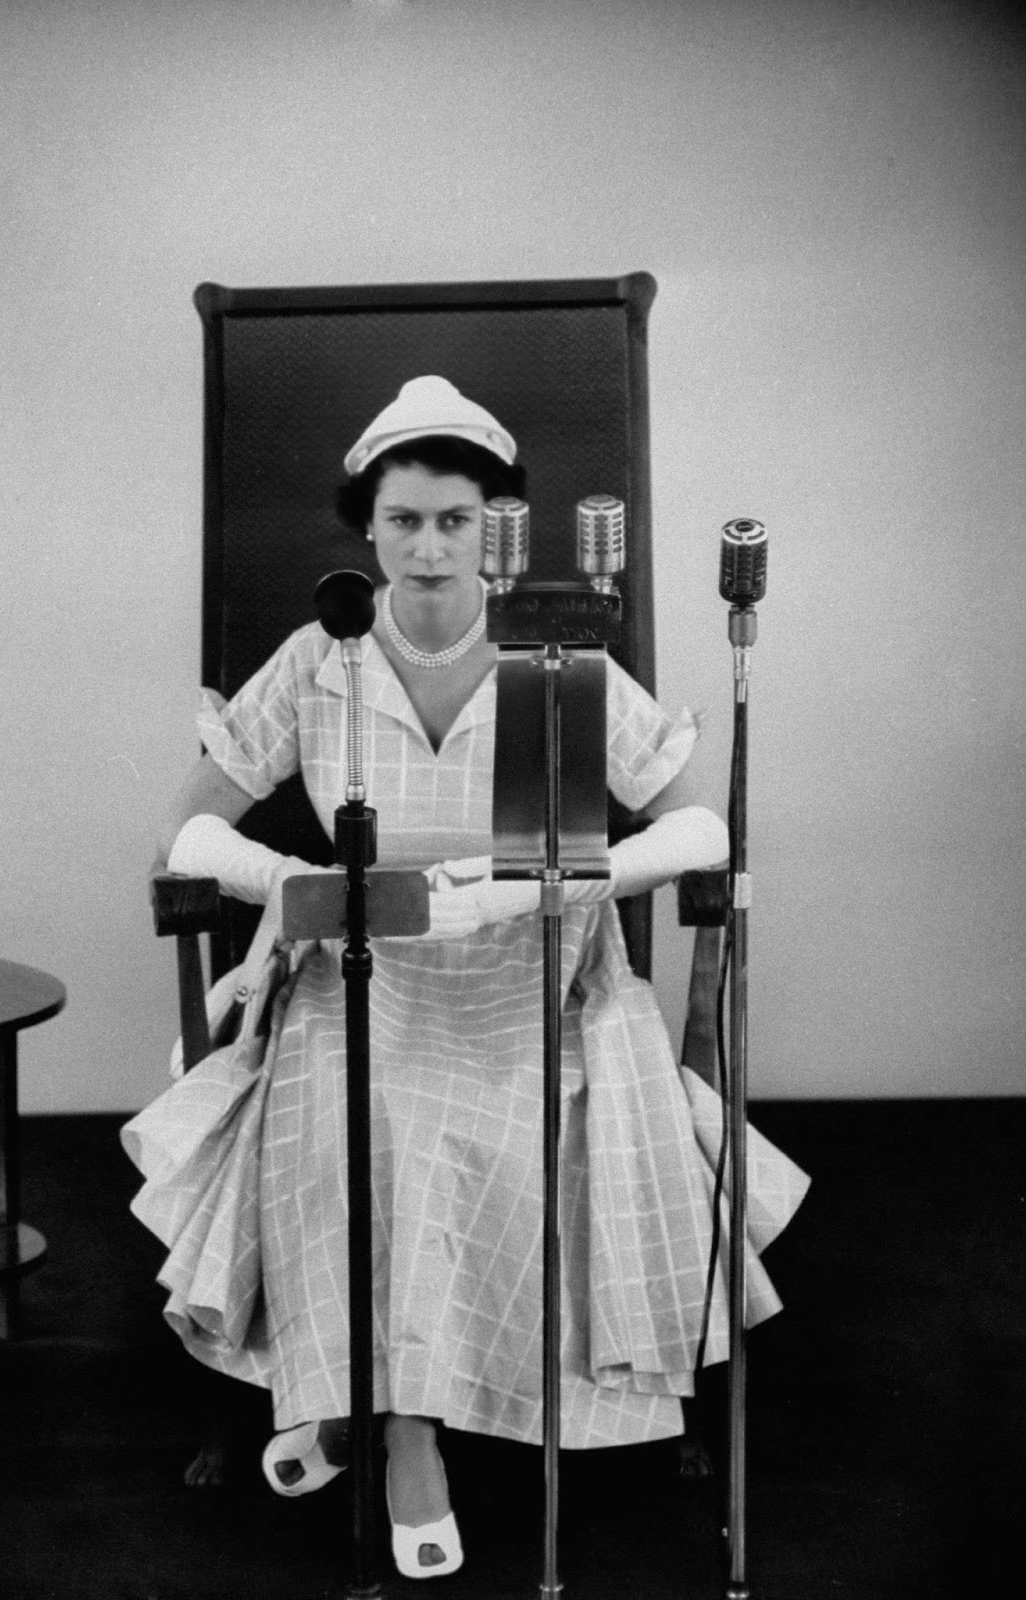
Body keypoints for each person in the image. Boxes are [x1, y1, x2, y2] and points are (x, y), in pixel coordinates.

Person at [122, 376, 809, 1581]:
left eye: (453, 519)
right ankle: (406, 1436)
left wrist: (546, 887)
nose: (427, 546)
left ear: (493, 525)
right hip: (359, 959)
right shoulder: (322, 655)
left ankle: (368, 1397)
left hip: (531, 967)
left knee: (496, 1113)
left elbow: (697, 830)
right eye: (402, 521)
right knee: (363, 1108)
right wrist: (290, 884)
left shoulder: (554, 648)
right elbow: (188, 833)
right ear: (368, 530)